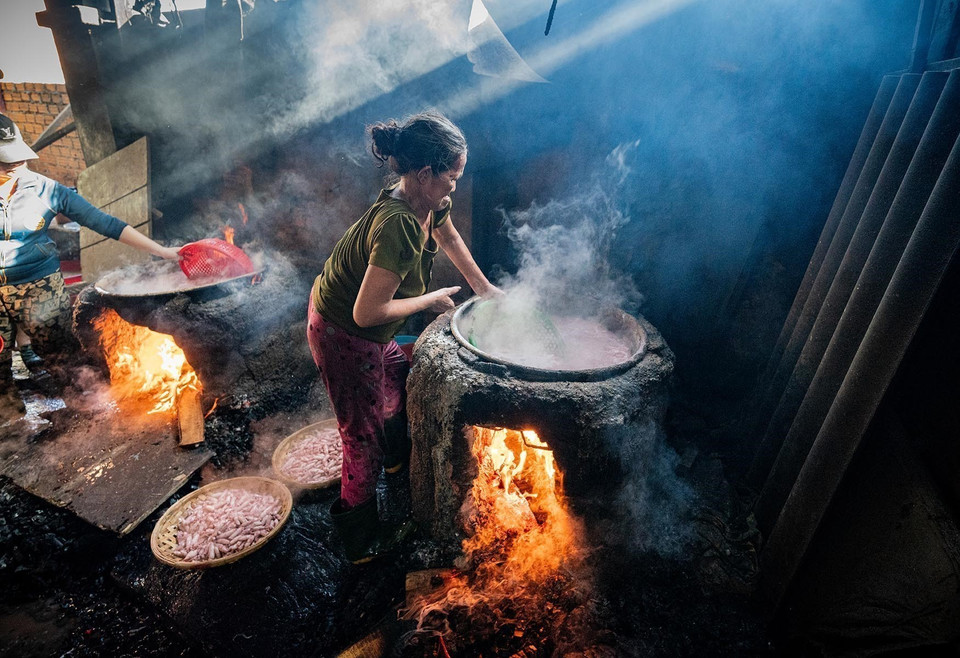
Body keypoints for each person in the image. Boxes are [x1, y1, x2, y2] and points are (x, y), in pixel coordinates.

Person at [308, 110, 500, 564]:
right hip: (342, 332)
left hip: (371, 332)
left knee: (395, 377)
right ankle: (360, 540)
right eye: (452, 177)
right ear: (424, 173)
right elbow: (368, 310)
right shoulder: (397, 224)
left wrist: (486, 290)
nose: (456, 185)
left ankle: (395, 462)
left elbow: (449, 236)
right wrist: (430, 300)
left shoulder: (429, 202)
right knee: (360, 436)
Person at [0, 113, 180, 423]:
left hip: (39, 285)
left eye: (15, 157)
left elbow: (104, 222)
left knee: (61, 357)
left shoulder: (45, 189)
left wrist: (161, 251)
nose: (15, 166)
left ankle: (86, 416)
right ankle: (10, 430)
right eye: (5, 162)